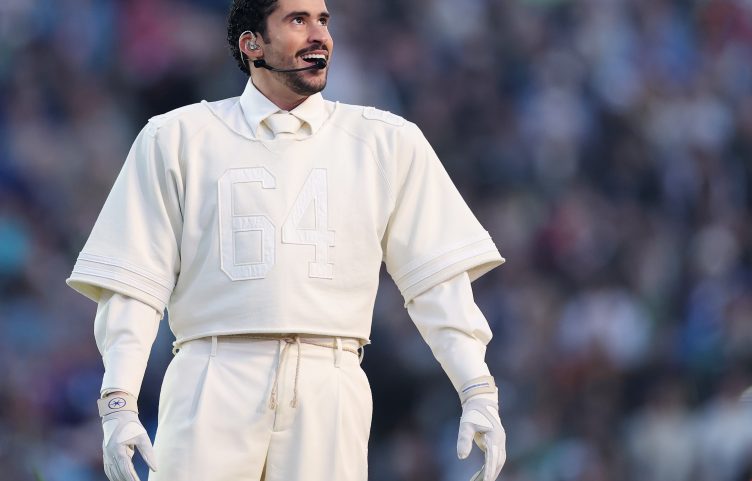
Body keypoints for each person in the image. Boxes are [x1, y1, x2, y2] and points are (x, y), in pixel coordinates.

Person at [67, 0, 507, 479]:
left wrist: (477, 388)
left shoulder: (388, 141)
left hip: (331, 378)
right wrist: (119, 400)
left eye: (323, 20)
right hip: (210, 371)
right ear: (252, 44)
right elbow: (134, 284)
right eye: (298, 20)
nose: (320, 35)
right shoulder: (175, 137)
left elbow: (436, 281)